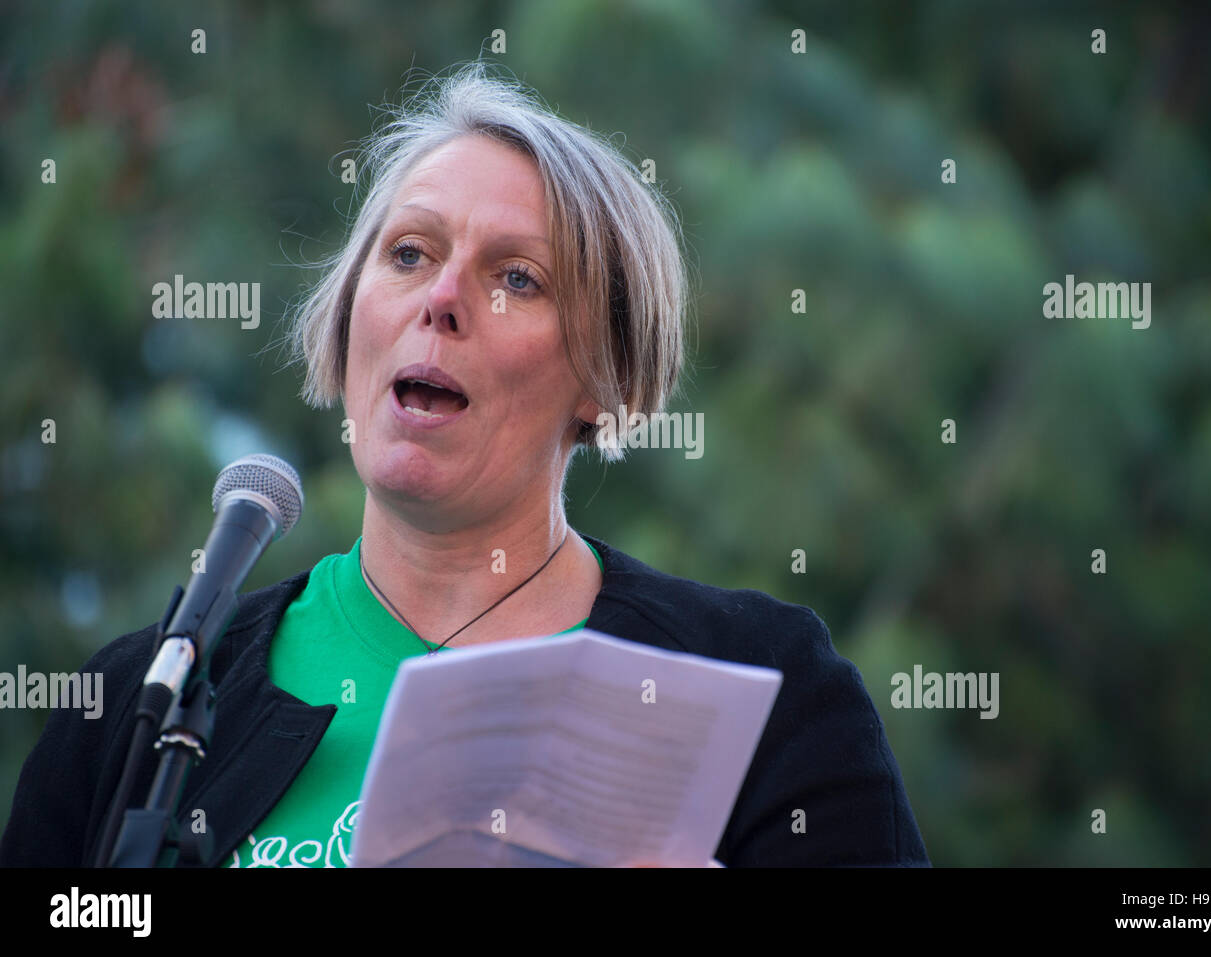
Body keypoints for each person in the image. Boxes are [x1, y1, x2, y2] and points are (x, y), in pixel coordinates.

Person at [0, 63, 929, 868]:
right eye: (410, 253)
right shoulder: (139, 700)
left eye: (516, 277)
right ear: (349, 314)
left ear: (603, 380)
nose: (441, 297)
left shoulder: (764, 686)